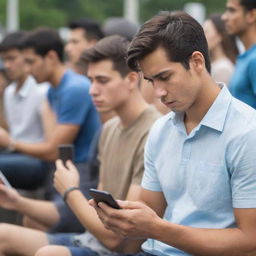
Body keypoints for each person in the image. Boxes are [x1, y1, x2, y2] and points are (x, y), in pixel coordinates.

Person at [89, 11, 256, 256]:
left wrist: (158, 229)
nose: (158, 92)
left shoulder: (246, 132)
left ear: (197, 62)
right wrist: (122, 217)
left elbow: (249, 240)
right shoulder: (161, 130)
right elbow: (150, 210)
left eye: (164, 77)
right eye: (150, 80)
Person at [0, 35, 161, 256]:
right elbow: (100, 213)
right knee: (3, 235)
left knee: (49, 254)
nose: (92, 90)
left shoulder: (154, 131)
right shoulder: (109, 129)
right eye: (91, 80)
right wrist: (17, 201)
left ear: (132, 80)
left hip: (122, 249)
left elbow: (119, 239)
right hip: (91, 240)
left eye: (102, 81)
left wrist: (70, 191)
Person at [0, 27, 100, 189]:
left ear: (51, 57)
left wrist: (10, 143)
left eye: (31, 62)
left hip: (81, 172)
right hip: (62, 169)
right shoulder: (52, 89)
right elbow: (51, 142)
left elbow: (53, 151)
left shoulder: (74, 88)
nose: (27, 69)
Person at [0, 31, 51, 189]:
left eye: (12, 58)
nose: (7, 65)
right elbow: (10, 132)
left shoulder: (42, 89)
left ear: (27, 57)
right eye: (4, 60)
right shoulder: (9, 91)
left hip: (37, 161)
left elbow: (50, 147)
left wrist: (11, 143)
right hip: (13, 155)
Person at [222, 0, 256, 108]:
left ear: (251, 15)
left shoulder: (254, 59)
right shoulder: (246, 57)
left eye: (232, 10)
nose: (224, 17)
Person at [203, 13, 238, 84]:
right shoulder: (215, 65)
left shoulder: (223, 69)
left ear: (219, 36)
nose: (203, 37)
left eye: (206, 32)